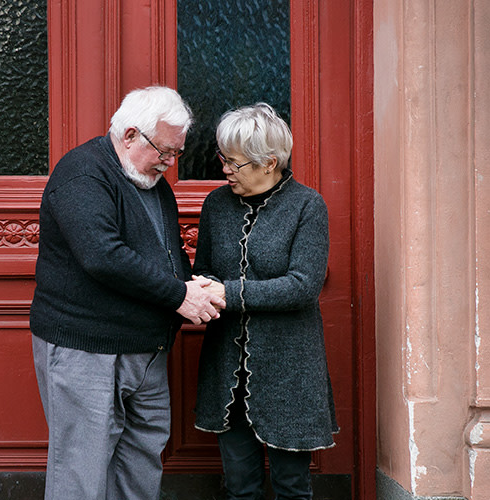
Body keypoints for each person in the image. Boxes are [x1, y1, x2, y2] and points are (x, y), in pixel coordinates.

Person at [30, 85, 226, 500]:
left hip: (146, 351)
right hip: (88, 349)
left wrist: (192, 286)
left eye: (177, 154)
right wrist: (178, 296)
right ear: (131, 134)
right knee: (81, 469)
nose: (170, 164)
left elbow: (166, 254)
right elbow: (102, 256)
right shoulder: (83, 173)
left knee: (142, 460)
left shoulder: (152, 181)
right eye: (165, 151)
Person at [192, 103, 338, 500]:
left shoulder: (308, 206)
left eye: (234, 163)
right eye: (224, 159)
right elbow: (205, 269)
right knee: (240, 488)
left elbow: (303, 286)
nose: (224, 169)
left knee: (292, 486)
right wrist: (201, 289)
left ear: (269, 162)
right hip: (227, 369)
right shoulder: (216, 206)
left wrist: (229, 292)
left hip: (289, 368)